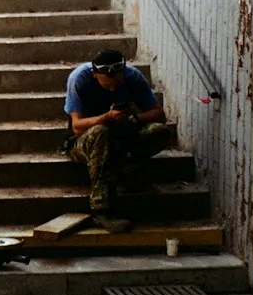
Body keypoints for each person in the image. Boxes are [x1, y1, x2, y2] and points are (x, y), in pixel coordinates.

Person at [62, 47, 172, 233]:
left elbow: (159, 114)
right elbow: (77, 126)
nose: (113, 88)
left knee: (159, 132)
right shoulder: (79, 79)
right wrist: (107, 117)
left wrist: (134, 119)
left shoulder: (133, 77)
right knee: (100, 132)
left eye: (117, 84)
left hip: (122, 137)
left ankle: (126, 171)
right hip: (85, 141)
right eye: (108, 85)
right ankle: (102, 210)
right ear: (95, 74)